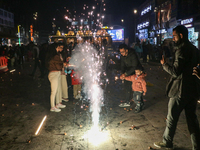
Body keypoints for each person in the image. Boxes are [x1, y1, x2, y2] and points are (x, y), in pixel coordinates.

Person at [154, 25, 200, 150]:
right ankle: (197, 146)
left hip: (179, 90)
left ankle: (167, 142)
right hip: (192, 90)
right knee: (192, 120)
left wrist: (164, 65)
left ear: (181, 35)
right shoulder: (194, 49)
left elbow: (175, 71)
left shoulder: (181, 50)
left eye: (174, 36)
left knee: (171, 119)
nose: (173, 39)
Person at [46, 43, 66, 112]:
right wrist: (63, 64)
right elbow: (58, 65)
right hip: (54, 74)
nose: (59, 49)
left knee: (58, 90)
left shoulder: (52, 56)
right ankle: (52, 106)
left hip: (56, 73)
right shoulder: (55, 56)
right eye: (57, 48)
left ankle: (57, 103)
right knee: (54, 91)